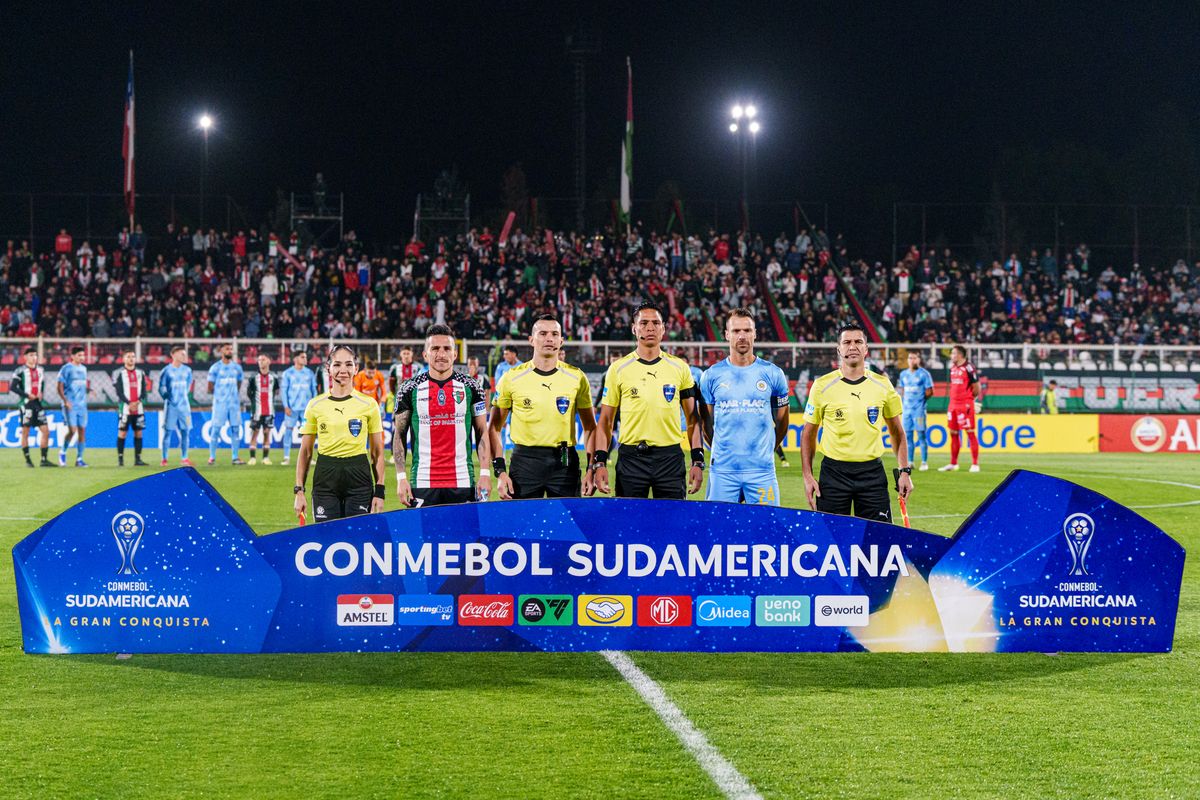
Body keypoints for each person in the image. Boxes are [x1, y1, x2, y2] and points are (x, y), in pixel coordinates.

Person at [801, 322, 912, 522]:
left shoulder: (882, 384)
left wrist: (904, 471)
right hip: (833, 474)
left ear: (866, 349)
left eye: (858, 341)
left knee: (877, 544)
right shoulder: (822, 386)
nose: (853, 346)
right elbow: (808, 433)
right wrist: (807, 476)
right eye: (847, 342)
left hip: (872, 475)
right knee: (831, 544)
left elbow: (897, 432)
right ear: (839, 349)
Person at [590, 303, 704, 499]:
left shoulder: (680, 368)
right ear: (634, 328)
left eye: (655, 323)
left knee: (671, 523)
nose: (650, 328)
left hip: (670, 458)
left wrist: (697, 461)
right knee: (630, 524)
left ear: (663, 328)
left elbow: (693, 420)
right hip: (631, 459)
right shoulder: (618, 369)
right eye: (643, 323)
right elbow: (606, 422)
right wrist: (600, 463)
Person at [489, 314, 596, 499]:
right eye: (543, 333)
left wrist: (591, 469)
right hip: (525, 461)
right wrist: (500, 471)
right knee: (523, 526)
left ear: (561, 341)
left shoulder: (577, 377)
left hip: (565, 461)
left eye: (555, 334)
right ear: (531, 340)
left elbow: (590, 428)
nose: (549, 338)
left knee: (567, 525)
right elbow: (494, 428)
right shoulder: (511, 377)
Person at [696, 308, 790, 505]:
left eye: (747, 330)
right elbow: (705, 424)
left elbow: (782, 422)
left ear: (755, 334)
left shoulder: (773, 373)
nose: (742, 336)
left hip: (762, 472)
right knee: (719, 532)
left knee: (766, 532)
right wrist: (721, 451)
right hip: (723, 471)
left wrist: (767, 449)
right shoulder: (711, 376)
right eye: (736, 331)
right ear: (727, 335)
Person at [392, 324, 491, 508]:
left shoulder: (472, 386)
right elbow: (399, 434)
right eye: (435, 348)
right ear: (425, 354)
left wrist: (485, 474)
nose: (441, 354)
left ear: (455, 354)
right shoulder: (408, 388)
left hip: (462, 481)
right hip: (422, 482)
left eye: (447, 348)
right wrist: (401, 478)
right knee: (424, 537)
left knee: (465, 537)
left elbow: (481, 431)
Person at [294, 344, 386, 522]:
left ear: (356, 368)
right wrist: (299, 490)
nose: (343, 370)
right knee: (327, 540)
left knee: (358, 540)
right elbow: (305, 452)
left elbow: (377, 452)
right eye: (337, 365)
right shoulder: (315, 405)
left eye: (348, 364)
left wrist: (380, 491)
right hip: (325, 476)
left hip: (359, 476)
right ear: (328, 368)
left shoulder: (369, 404)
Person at [939, 345, 981, 472]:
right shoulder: (953, 368)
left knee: (970, 433)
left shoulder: (969, 367)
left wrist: (970, 401)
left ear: (960, 355)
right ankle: (953, 463)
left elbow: (976, 387)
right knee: (953, 433)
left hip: (965, 405)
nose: (951, 356)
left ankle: (975, 464)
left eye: (953, 353)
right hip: (953, 405)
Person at [13, 348, 54, 468]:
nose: (34, 357)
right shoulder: (20, 370)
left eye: (35, 355)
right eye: (31, 355)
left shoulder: (41, 370)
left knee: (46, 431)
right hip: (26, 404)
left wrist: (41, 393)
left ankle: (43, 460)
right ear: (25, 357)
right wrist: (27, 395)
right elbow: (13, 387)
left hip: (37, 404)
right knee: (26, 432)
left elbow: (42, 384)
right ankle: (28, 460)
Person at [207, 343, 246, 465]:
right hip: (220, 404)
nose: (230, 351)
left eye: (231, 349)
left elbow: (239, 383)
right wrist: (220, 396)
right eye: (227, 349)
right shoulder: (215, 368)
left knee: (235, 429)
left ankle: (235, 457)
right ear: (221, 351)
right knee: (215, 429)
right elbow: (209, 387)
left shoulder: (237, 368)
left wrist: (233, 395)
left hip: (234, 404)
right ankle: (212, 457)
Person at [896, 352, 935, 471]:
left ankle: (924, 462)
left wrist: (920, 402)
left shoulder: (924, 374)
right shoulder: (903, 374)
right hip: (907, 410)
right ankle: (910, 462)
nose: (912, 360)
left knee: (921, 435)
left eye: (914, 358)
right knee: (907, 436)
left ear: (919, 360)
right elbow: (901, 390)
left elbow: (930, 391)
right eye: (910, 358)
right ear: (908, 360)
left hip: (919, 410)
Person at [157, 345, 195, 466]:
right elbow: (161, 387)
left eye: (184, 354)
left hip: (184, 407)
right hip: (171, 407)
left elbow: (188, 387)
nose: (184, 356)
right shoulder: (166, 370)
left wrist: (182, 398)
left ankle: (184, 458)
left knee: (186, 431)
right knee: (168, 432)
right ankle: (164, 459)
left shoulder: (188, 370)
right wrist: (167, 396)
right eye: (181, 354)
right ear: (173, 355)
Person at [280, 350, 317, 466]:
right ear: (295, 359)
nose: (305, 359)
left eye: (305, 357)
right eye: (302, 357)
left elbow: (314, 390)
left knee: (308, 434)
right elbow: (283, 391)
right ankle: (286, 457)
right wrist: (286, 406)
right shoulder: (287, 373)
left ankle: (309, 457)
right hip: (292, 408)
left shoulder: (309, 373)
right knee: (288, 431)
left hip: (306, 409)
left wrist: (313, 406)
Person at [56, 346, 90, 467]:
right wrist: (65, 401)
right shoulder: (66, 368)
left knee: (82, 431)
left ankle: (79, 459)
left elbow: (80, 385)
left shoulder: (84, 369)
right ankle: (62, 452)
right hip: (70, 405)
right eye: (79, 355)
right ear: (73, 356)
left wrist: (89, 390)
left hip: (82, 405)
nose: (82, 357)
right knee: (72, 430)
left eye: (83, 355)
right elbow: (59, 386)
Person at [247, 354, 278, 465]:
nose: (261, 361)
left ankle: (265, 458)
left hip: (269, 411)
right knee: (254, 433)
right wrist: (256, 404)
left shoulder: (274, 378)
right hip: (257, 411)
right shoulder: (253, 378)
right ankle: (252, 458)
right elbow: (249, 393)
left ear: (269, 361)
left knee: (266, 433)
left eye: (263, 359)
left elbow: (276, 391)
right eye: (259, 359)